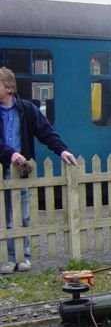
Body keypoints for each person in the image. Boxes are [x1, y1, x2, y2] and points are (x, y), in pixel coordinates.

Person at [0, 67, 78, 274]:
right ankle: (7, 258)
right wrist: (10, 153)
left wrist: (62, 151)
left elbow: (45, 132)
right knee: (5, 217)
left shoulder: (26, 109)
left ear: (9, 87)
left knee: (23, 216)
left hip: (20, 171)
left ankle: (23, 256)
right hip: (2, 170)